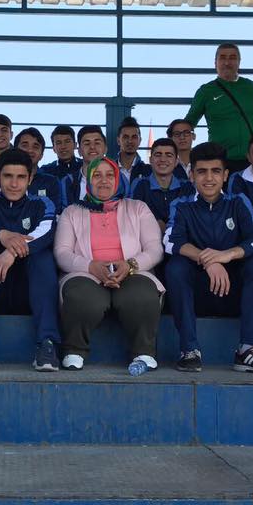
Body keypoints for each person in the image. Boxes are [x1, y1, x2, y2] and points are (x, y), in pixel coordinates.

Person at [164, 143, 253, 374]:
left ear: (225, 175)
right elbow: (169, 241)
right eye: (201, 171)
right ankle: (189, 350)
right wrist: (208, 260)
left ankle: (249, 349)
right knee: (175, 267)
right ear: (191, 175)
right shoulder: (182, 204)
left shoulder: (237, 202)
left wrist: (227, 255)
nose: (209, 178)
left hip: (233, 289)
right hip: (199, 290)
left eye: (215, 171)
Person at [54, 157, 164, 372]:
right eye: (97, 175)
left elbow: (155, 249)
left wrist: (130, 265)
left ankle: (143, 352)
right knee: (82, 297)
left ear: (118, 180)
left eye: (109, 175)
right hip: (86, 271)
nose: (103, 180)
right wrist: (90, 266)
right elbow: (62, 253)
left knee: (141, 296)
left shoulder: (138, 208)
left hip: (132, 270)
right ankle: (74, 350)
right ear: (88, 181)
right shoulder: (72, 212)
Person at [0, 149, 60, 372]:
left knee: (43, 258)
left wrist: (10, 253)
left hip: (28, 289)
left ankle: (47, 344)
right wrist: (0, 235)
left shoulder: (42, 204)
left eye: (21, 177)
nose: (13, 184)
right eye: (8, 176)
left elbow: (45, 233)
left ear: (30, 178)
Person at [184, 43, 253, 174]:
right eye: (222, 58)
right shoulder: (206, 91)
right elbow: (189, 122)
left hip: (251, 159)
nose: (227, 62)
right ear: (215, 63)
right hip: (220, 160)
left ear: (239, 62)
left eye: (232, 58)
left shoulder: (249, 86)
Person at [129, 138, 195, 236]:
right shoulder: (140, 185)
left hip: (180, 241)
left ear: (176, 161)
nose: (163, 159)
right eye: (158, 155)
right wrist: (156, 222)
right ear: (150, 160)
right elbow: (134, 218)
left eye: (169, 155)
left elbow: (191, 221)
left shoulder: (187, 187)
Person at [13, 127, 64, 213]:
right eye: (25, 145)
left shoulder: (51, 182)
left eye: (35, 147)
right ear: (15, 150)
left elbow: (54, 212)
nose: (30, 150)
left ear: (41, 155)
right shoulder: (3, 179)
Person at [62, 125, 110, 207]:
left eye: (97, 143)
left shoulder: (120, 179)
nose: (92, 147)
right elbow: (64, 211)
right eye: (87, 143)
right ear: (79, 151)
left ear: (105, 149)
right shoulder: (68, 182)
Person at [116, 117, 149, 183]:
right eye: (126, 137)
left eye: (134, 137)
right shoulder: (110, 169)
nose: (130, 141)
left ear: (140, 141)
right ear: (118, 140)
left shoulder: (148, 172)